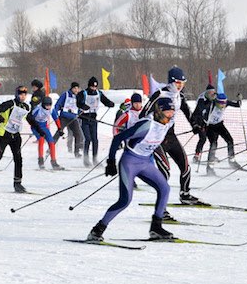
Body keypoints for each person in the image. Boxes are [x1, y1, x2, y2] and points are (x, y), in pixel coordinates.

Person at [86, 97, 176, 242]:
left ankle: (156, 228)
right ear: (159, 111)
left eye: (172, 112)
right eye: (168, 112)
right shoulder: (147, 125)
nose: (171, 115)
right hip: (130, 163)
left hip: (146, 162)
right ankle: (97, 230)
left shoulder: (167, 123)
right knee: (125, 200)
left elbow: (156, 137)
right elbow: (118, 139)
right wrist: (111, 162)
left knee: (164, 188)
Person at [140, 67, 199, 205]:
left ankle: (185, 194)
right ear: (171, 82)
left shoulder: (180, 96)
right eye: (178, 83)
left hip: (171, 136)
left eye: (183, 83)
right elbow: (143, 114)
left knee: (185, 167)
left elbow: (188, 112)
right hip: (157, 138)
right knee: (165, 172)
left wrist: (195, 126)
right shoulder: (159, 94)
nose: (180, 86)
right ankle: (161, 206)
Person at [0, 86, 43, 193]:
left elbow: (31, 120)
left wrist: (40, 130)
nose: (23, 96)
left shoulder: (26, 107)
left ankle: (18, 184)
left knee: (18, 159)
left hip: (15, 135)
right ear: (17, 94)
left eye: (24, 94)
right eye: (20, 94)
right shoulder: (10, 104)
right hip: (4, 134)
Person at [77, 77, 115, 167]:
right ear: (89, 86)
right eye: (92, 87)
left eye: (95, 87)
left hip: (93, 118)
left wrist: (110, 103)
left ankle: (95, 159)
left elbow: (105, 100)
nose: (94, 89)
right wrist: (83, 106)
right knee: (88, 138)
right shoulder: (83, 93)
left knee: (95, 139)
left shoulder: (98, 93)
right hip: (84, 118)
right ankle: (86, 159)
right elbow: (78, 103)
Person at [202, 93, 242, 175]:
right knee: (213, 144)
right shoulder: (212, 104)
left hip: (219, 124)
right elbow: (202, 108)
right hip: (210, 126)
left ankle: (232, 161)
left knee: (230, 140)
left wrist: (239, 99)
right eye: (220, 103)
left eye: (224, 103)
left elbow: (238, 105)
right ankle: (210, 167)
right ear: (216, 101)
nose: (223, 105)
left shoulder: (226, 102)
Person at [52, 82, 84, 158]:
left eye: (77, 88)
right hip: (64, 117)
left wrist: (82, 112)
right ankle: (50, 149)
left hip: (73, 118)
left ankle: (77, 152)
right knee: (59, 132)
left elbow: (78, 108)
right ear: (72, 88)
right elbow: (58, 104)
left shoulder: (79, 97)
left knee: (78, 134)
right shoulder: (66, 94)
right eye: (75, 88)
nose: (76, 90)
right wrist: (56, 112)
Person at [32, 96, 64, 170]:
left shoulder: (51, 109)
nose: (48, 107)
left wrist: (60, 129)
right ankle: (40, 161)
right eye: (47, 105)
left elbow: (56, 119)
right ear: (43, 104)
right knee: (41, 140)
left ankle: (54, 162)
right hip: (36, 127)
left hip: (44, 126)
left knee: (51, 142)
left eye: (50, 105)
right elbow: (31, 119)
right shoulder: (38, 109)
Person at [190, 84, 217, 164]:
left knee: (213, 139)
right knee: (203, 138)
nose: (212, 94)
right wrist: (198, 125)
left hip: (206, 122)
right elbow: (201, 109)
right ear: (207, 93)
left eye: (213, 92)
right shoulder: (202, 99)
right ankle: (196, 156)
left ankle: (212, 156)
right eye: (211, 92)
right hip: (198, 121)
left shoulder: (212, 100)